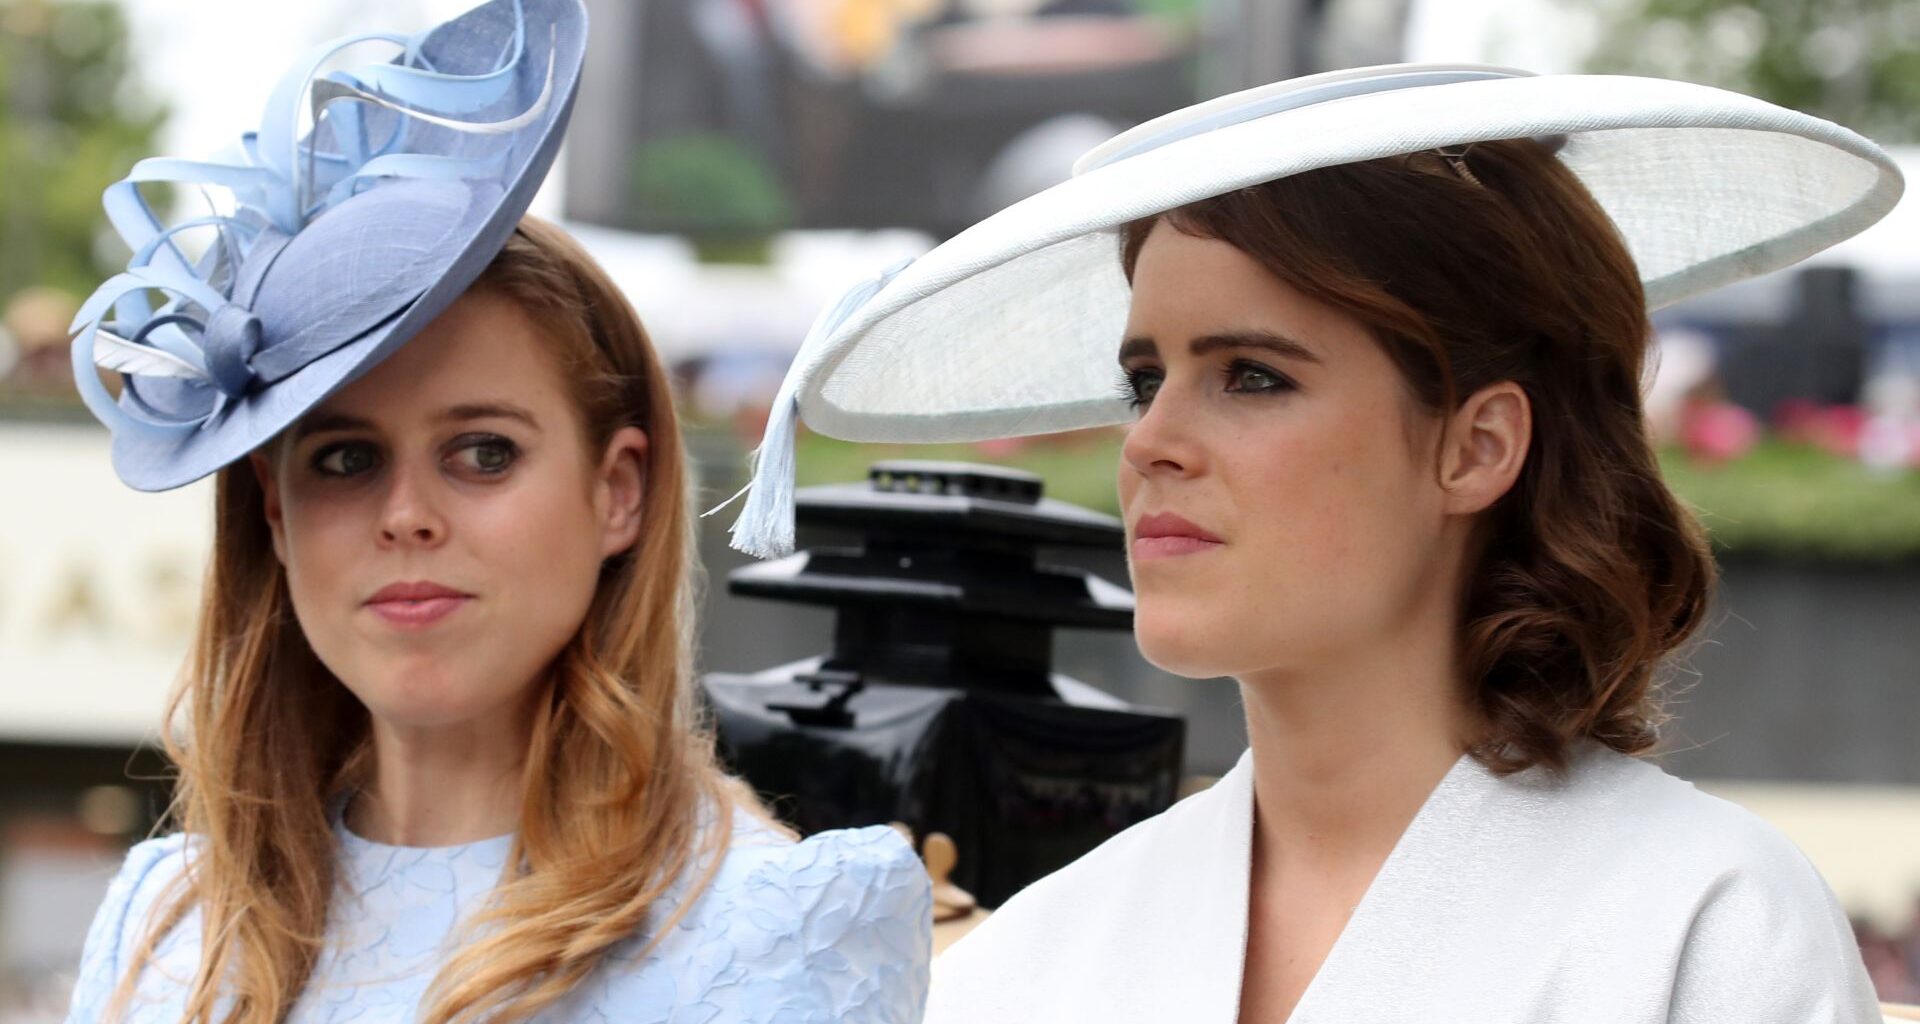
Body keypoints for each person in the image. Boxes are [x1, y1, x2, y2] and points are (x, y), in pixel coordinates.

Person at [719, 64, 1905, 1021]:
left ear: (1475, 444)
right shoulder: (1037, 956)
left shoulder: (1704, 927)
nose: (1152, 445)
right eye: (1145, 381)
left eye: (1250, 374)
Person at [63, 2, 929, 1022]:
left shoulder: (783, 929)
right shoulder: (163, 928)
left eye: (484, 453)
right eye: (344, 458)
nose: (407, 515)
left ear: (619, 490)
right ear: (276, 515)